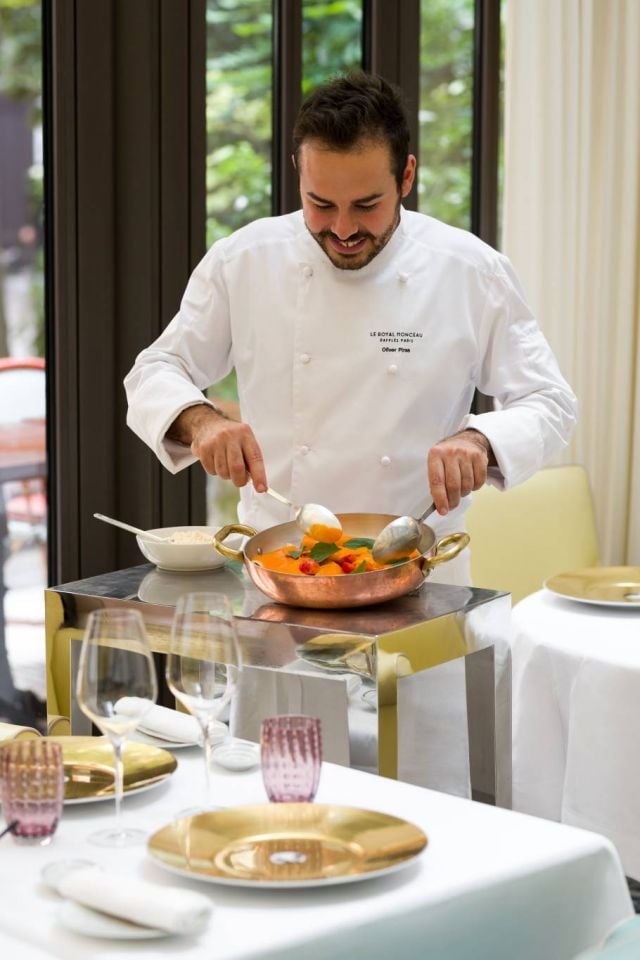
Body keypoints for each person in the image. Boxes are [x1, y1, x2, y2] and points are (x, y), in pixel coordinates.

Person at [125, 71, 576, 585]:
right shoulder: (244, 260)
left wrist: (480, 441)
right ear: (298, 172)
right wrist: (201, 420)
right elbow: (156, 369)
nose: (341, 229)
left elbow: (550, 401)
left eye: (366, 205)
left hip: (418, 574)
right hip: (279, 572)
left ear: (406, 177)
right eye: (320, 204)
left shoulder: (470, 270)